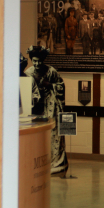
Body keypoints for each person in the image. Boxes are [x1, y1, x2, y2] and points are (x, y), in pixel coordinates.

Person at [24, 45, 69, 176]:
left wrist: (49, 85)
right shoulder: (29, 73)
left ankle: (56, 164)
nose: (37, 63)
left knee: (53, 133)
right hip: (37, 108)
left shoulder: (51, 71)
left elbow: (61, 86)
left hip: (51, 106)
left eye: (39, 61)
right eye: (35, 61)